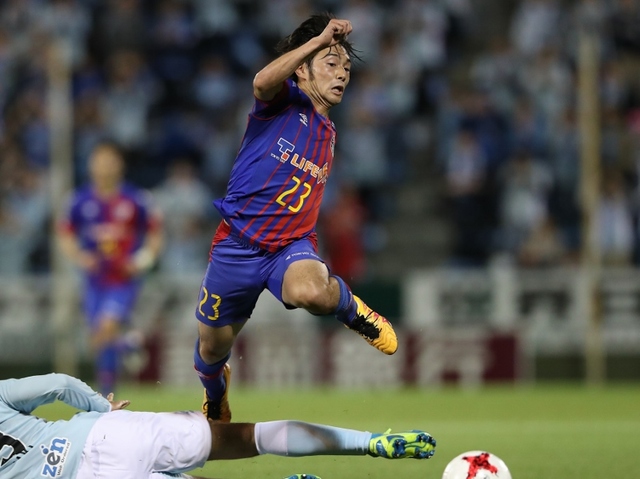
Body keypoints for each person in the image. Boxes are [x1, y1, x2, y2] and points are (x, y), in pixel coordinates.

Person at [194, 12, 398, 424]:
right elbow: (260, 82)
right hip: (237, 245)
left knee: (312, 293)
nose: (341, 74)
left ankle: (353, 310)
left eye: (346, 68)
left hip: (290, 246)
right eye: (331, 63)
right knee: (211, 349)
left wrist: (324, 50)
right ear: (302, 70)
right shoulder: (283, 102)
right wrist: (318, 40)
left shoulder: (330, 131)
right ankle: (216, 394)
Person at [0, 373, 437, 479]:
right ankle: (370, 442)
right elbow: (59, 385)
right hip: (104, 432)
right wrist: (104, 408)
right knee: (251, 437)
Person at [59, 141, 163, 396]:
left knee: (107, 326)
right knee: (98, 339)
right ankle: (126, 348)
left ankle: (106, 396)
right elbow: (65, 234)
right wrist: (80, 257)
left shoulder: (135, 198)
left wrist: (141, 260)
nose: (104, 166)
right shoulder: (79, 200)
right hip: (94, 280)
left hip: (122, 279)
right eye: (99, 160)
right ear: (91, 165)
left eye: (110, 160)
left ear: (120, 165)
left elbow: (155, 233)